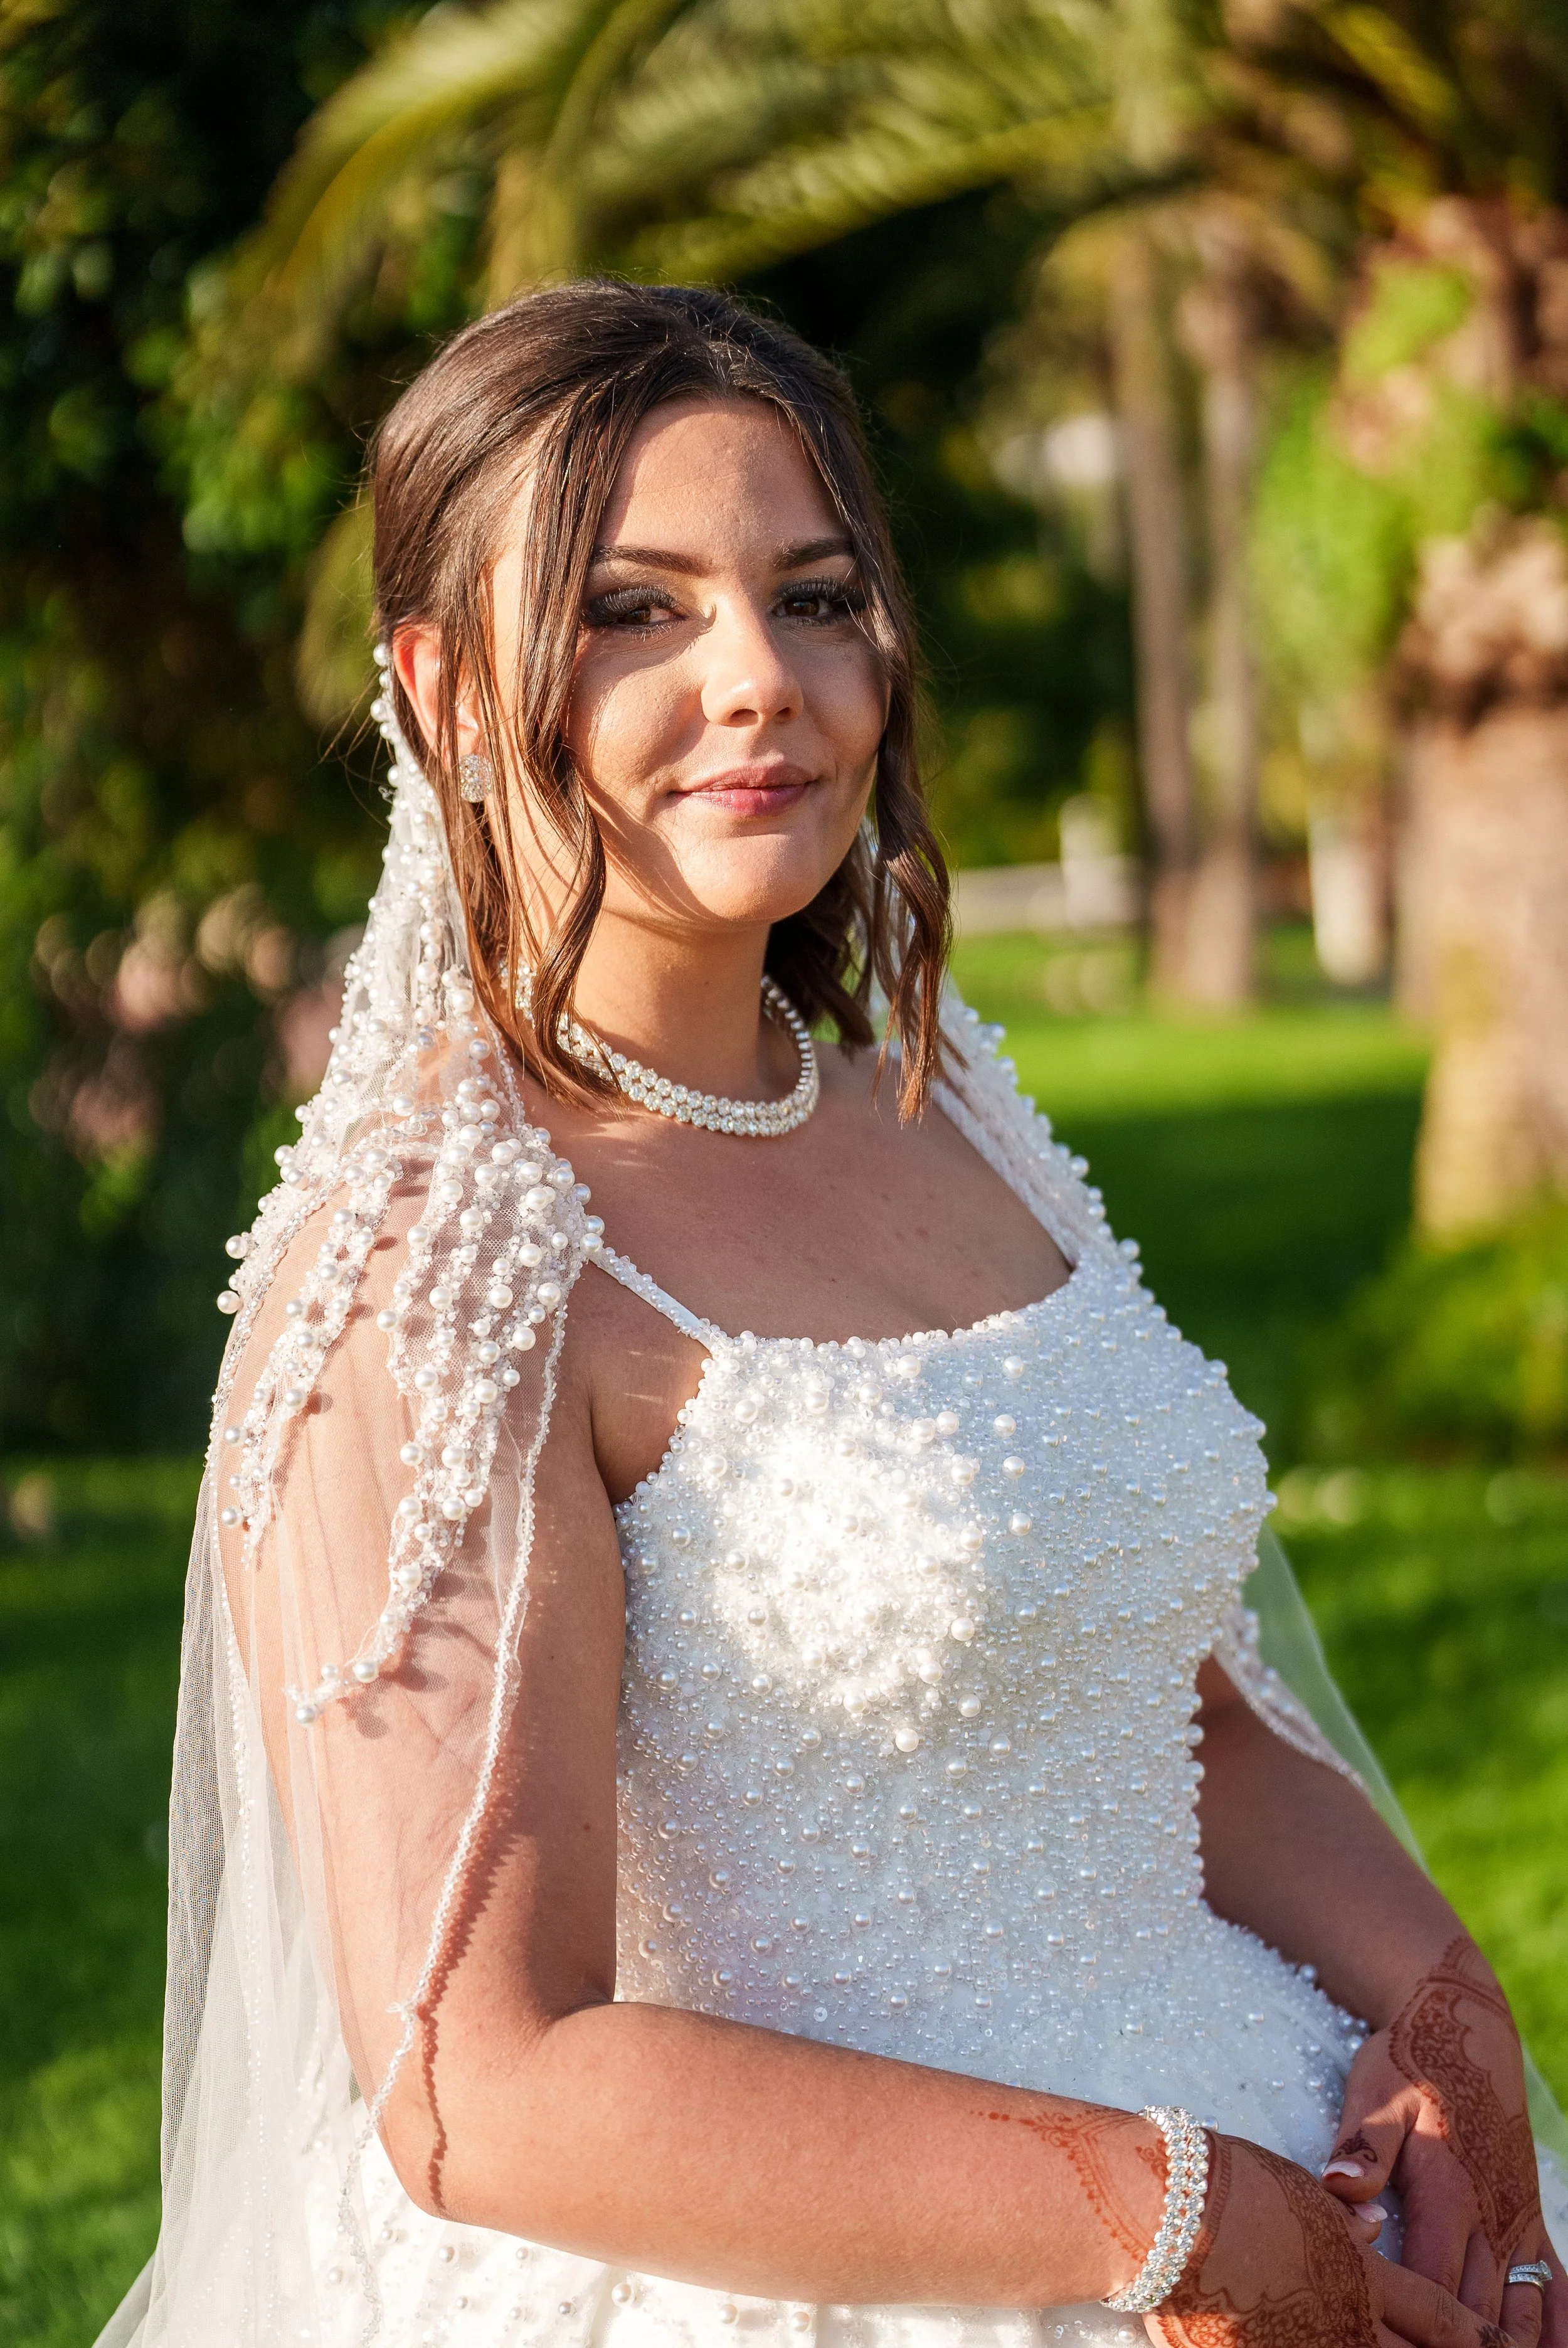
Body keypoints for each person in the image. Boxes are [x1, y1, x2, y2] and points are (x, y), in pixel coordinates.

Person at [104, 281, 1565, 2348]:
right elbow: (475, 2081)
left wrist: (1444, 2015)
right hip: (828, 2267)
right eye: (632, 611)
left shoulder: (929, 1087)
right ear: (435, 692)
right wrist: (1165, 2217)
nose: (760, 682)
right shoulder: (441, 1256)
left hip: (1261, 2133)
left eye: (813, 594)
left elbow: (1154, 1705)